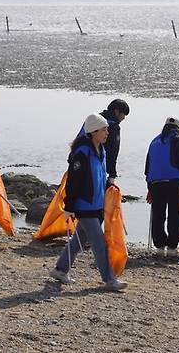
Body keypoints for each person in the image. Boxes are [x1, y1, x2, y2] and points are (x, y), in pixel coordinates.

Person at [49, 113, 128, 291]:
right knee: (99, 244)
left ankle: (60, 270)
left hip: (96, 205)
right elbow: (73, 181)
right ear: (93, 131)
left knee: (78, 240)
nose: (107, 132)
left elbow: (101, 176)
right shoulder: (82, 153)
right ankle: (109, 279)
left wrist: (110, 187)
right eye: (104, 129)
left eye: (107, 129)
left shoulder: (101, 150)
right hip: (84, 205)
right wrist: (69, 207)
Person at [144, 117, 179, 257]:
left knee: (158, 215)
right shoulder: (178, 138)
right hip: (174, 182)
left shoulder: (154, 141)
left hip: (155, 183)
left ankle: (160, 247)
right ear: (178, 128)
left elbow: (148, 166)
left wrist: (149, 187)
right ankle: (172, 248)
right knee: (175, 215)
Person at [79, 99, 130, 187]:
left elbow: (79, 138)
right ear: (117, 112)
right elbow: (113, 151)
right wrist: (112, 175)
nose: (124, 118)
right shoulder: (113, 127)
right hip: (95, 167)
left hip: (78, 159)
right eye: (123, 114)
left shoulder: (93, 120)